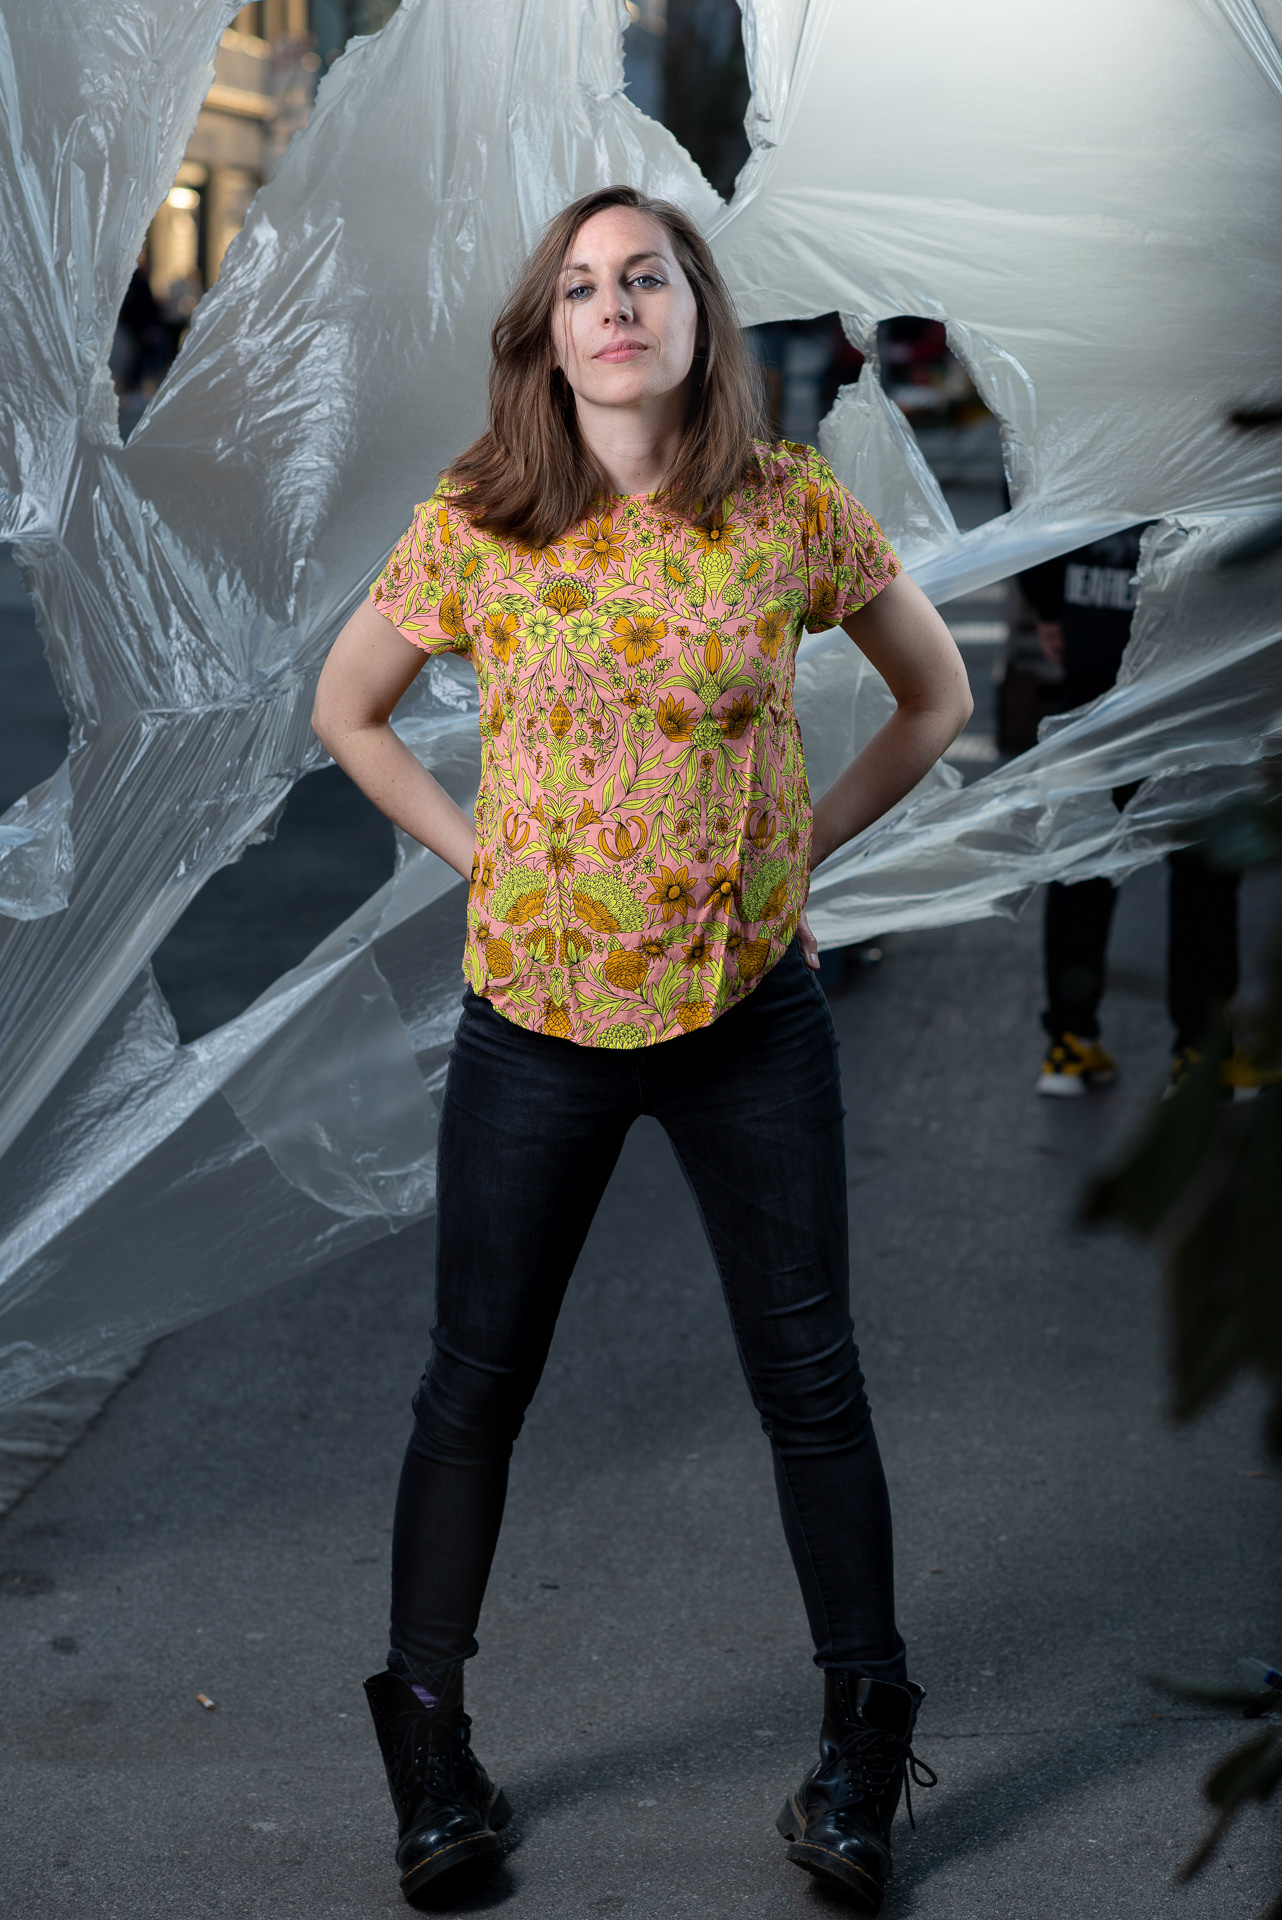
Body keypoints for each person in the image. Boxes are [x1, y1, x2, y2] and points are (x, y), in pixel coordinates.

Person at [312, 184, 971, 1912]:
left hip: (749, 1018)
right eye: (583, 287)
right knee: (474, 1384)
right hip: (532, 1022)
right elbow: (346, 711)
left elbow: (936, 699)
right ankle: (432, 1755)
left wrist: (792, 855)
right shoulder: (481, 515)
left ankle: (859, 1751)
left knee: (811, 1385)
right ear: (549, 334)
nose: (615, 306)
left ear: (693, 313)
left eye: (646, 278)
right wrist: (479, 860)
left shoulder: (789, 509)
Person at [1021, 532, 1246, 1097]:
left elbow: (1027, 491)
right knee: (1203, 856)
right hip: (1196, 648)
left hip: (1094, 632)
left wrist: (1048, 599)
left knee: (1083, 844)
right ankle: (1200, 1054)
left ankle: (1069, 1042)